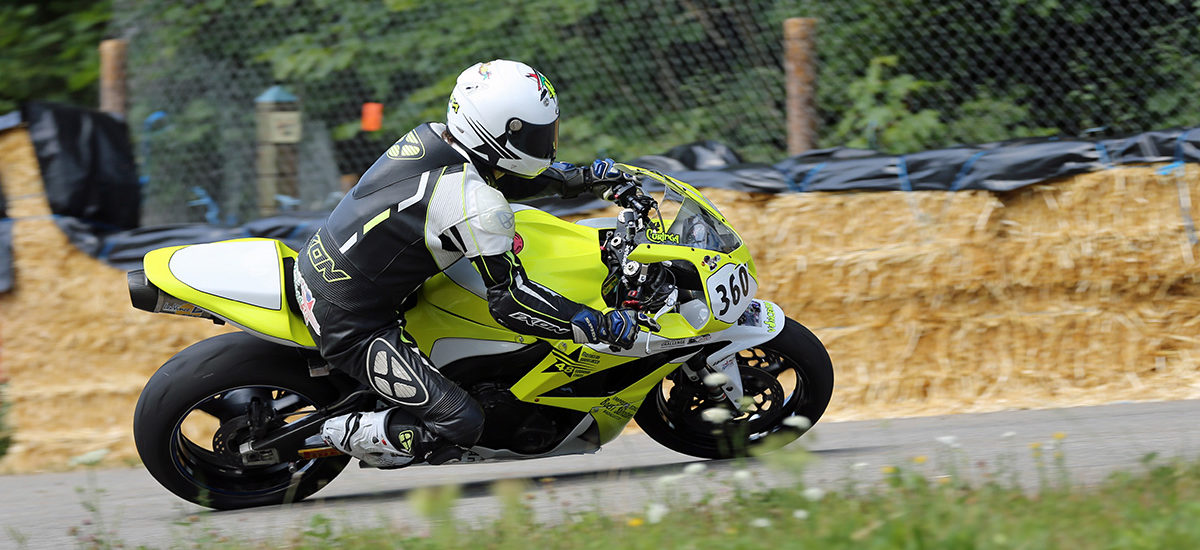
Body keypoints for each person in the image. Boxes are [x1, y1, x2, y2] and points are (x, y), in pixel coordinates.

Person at [294, 59, 649, 468]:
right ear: (500, 131)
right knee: (461, 423)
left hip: (326, 264)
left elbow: (505, 173)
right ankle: (331, 436)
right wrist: (594, 323)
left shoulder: (432, 139)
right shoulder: (476, 204)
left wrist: (583, 177)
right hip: (349, 320)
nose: (547, 142)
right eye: (537, 134)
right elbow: (511, 302)